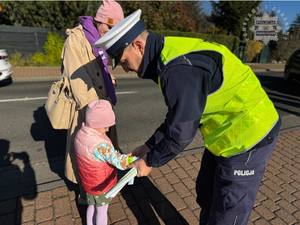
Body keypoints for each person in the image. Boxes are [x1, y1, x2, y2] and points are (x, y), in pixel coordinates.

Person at [95, 9, 281, 225]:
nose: (126, 69)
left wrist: (150, 161)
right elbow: (179, 116)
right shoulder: (166, 54)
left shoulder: (176, 70)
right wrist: (149, 146)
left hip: (250, 134)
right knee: (206, 192)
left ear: (138, 45)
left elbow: (182, 131)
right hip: (224, 133)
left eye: (125, 61)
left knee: (228, 211)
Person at [62, 0, 124, 184]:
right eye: (109, 26)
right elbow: (75, 77)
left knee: (103, 153)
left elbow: (101, 67)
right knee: (86, 153)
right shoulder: (77, 38)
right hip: (88, 110)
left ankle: (102, 184)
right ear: (99, 20)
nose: (111, 32)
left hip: (102, 108)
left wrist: (108, 79)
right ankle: (86, 192)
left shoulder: (100, 39)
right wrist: (95, 113)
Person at [74, 99, 134, 225]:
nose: (107, 129)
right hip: (101, 185)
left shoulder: (80, 133)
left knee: (92, 205)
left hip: (88, 182)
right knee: (101, 211)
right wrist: (132, 158)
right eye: (105, 125)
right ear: (96, 123)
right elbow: (119, 162)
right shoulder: (100, 145)